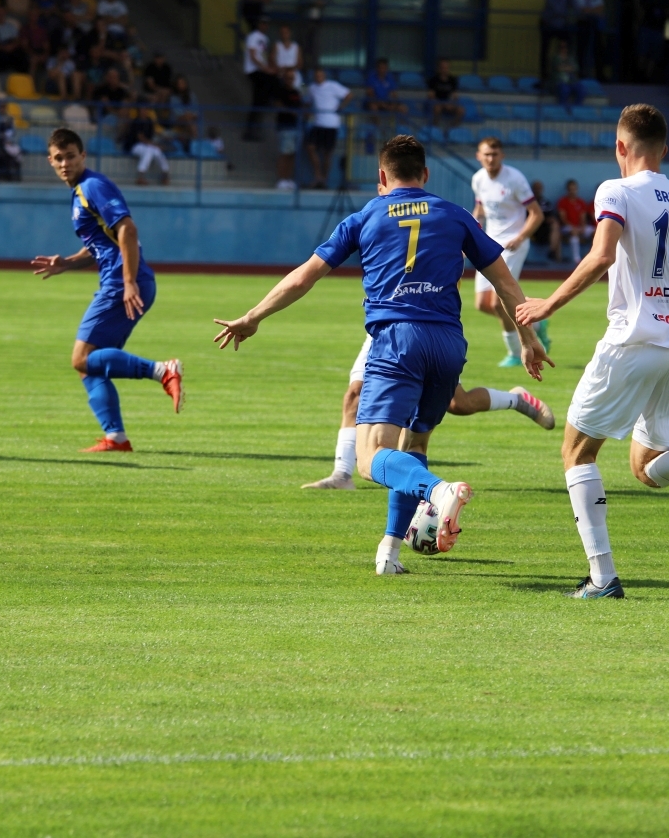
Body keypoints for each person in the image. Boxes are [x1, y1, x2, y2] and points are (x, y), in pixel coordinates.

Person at [213, 135, 549, 573]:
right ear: (425, 175)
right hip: (448, 342)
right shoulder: (455, 214)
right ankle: (389, 552)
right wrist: (527, 339)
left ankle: (437, 490)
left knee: (370, 458)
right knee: (415, 444)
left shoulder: (367, 215)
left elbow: (304, 277)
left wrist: (254, 315)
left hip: (398, 340)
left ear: (381, 178)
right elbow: (505, 283)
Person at [515, 103, 669, 600]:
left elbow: (602, 255)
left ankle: (603, 579)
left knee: (577, 451)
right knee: (647, 467)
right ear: (665, 150)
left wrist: (548, 305)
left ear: (621, 148)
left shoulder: (616, 190)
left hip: (631, 342)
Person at [30, 129, 183, 451]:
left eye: (71, 156)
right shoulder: (79, 194)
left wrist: (128, 282)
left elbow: (126, 228)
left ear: (82, 156)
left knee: (81, 359)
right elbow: (100, 245)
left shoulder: (93, 186)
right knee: (92, 363)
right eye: (58, 158)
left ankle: (162, 371)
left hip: (123, 282)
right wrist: (67, 263)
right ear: (50, 161)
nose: (65, 163)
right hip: (121, 279)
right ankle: (116, 437)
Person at [301, 342, 555, 491]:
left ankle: (516, 400)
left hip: (429, 325)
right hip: (383, 324)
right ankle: (342, 474)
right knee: (354, 395)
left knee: (458, 403)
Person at [472, 137, 547, 364]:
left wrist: (520, 237)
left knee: (498, 301)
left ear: (502, 156)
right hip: (489, 243)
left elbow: (536, 213)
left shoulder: (514, 179)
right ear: (479, 156)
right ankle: (536, 322)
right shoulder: (478, 179)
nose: (490, 158)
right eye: (486, 154)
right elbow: (480, 209)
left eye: (495, 154)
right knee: (482, 305)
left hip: (513, 244)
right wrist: (470, 236)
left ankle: (515, 353)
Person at [304, 66, 350, 189]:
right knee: (310, 147)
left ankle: (324, 180)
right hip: (318, 124)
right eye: (316, 75)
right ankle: (318, 176)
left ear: (324, 76)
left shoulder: (332, 86)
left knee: (327, 154)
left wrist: (341, 107)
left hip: (331, 124)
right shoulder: (312, 88)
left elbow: (349, 94)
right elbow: (308, 102)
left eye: (320, 75)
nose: (318, 77)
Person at [242, 16, 274, 141]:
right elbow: (253, 56)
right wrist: (265, 69)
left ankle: (253, 129)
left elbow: (264, 55)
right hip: (253, 70)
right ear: (259, 24)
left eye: (266, 24)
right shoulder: (253, 36)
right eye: (263, 23)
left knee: (259, 100)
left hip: (261, 70)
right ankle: (250, 130)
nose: (264, 26)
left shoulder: (266, 38)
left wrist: (269, 68)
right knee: (258, 100)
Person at [636, 0, 669, 83]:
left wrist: (668, 33)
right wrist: (637, 26)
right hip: (646, 28)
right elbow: (640, 10)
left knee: (654, 57)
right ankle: (639, 76)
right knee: (642, 54)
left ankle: (647, 78)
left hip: (659, 30)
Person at [539, 0, 573, 81]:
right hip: (548, 25)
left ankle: (564, 72)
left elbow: (576, 8)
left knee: (565, 48)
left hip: (561, 26)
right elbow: (557, 10)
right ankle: (544, 74)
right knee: (545, 50)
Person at [555, 178, 595, 264]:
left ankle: (590, 256)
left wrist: (583, 226)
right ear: (567, 190)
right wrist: (573, 227)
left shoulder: (581, 202)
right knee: (574, 233)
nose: (572, 191)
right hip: (566, 228)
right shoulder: (563, 202)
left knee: (594, 232)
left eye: (574, 189)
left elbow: (583, 217)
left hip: (579, 227)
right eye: (570, 189)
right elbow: (563, 218)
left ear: (577, 189)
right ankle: (576, 259)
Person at [572, 0, 605, 77]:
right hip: (583, 23)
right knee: (582, 48)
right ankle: (581, 73)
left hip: (595, 23)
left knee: (598, 48)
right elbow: (583, 10)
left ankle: (599, 74)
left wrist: (591, 11)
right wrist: (594, 11)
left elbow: (600, 7)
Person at [274, 74, 302, 189]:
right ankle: (281, 179)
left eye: (292, 78)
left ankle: (288, 179)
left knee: (292, 154)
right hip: (285, 126)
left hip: (296, 126)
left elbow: (300, 106)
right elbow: (277, 104)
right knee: (285, 153)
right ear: (284, 79)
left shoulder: (296, 92)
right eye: (288, 78)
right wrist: (291, 112)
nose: (290, 80)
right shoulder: (280, 91)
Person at [0, 5, 26, 75]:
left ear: (5, 14)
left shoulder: (10, 26)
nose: (0, 15)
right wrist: (3, 48)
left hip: (11, 47)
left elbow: (17, 40)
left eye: (2, 13)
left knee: (21, 55)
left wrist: (12, 46)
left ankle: (22, 78)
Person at [298, 0, 329, 64]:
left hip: (317, 21)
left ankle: (315, 66)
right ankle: (303, 66)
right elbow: (301, 0)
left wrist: (322, 2)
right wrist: (314, 2)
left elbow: (328, 0)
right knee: (304, 43)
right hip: (306, 21)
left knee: (315, 45)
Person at [364, 57, 406, 121]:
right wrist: (381, 104)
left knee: (403, 108)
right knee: (373, 107)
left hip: (387, 102)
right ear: (377, 68)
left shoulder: (390, 78)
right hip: (375, 102)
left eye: (384, 68)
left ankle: (401, 129)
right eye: (380, 68)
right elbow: (370, 94)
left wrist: (392, 105)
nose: (382, 70)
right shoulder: (371, 78)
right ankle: (377, 128)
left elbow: (394, 94)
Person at [529, 179, 560, 261]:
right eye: (536, 188)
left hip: (545, 229)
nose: (538, 190)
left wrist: (549, 219)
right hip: (532, 229)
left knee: (555, 225)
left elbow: (551, 216)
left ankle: (553, 253)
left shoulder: (545, 202)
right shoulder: (529, 202)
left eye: (539, 188)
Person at [427, 58, 461, 126]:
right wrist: (443, 104)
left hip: (448, 103)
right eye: (442, 68)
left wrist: (451, 103)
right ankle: (435, 127)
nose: (444, 70)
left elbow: (455, 96)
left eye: (446, 68)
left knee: (461, 110)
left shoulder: (453, 80)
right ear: (439, 68)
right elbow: (431, 96)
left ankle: (453, 129)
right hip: (437, 103)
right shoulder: (433, 80)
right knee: (437, 108)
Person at [550, 40, 581, 105]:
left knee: (581, 90)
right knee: (565, 90)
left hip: (572, 81)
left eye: (565, 47)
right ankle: (562, 109)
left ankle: (576, 109)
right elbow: (558, 68)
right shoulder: (556, 58)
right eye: (561, 47)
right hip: (560, 82)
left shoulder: (571, 58)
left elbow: (575, 68)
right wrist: (569, 68)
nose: (563, 49)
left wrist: (564, 68)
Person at [273, 24, 302, 88]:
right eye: (282, 33)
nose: (284, 34)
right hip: (280, 76)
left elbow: (300, 64)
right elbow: (271, 61)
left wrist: (288, 70)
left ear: (290, 33)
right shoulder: (277, 45)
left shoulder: (296, 46)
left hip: (294, 77)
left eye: (286, 32)